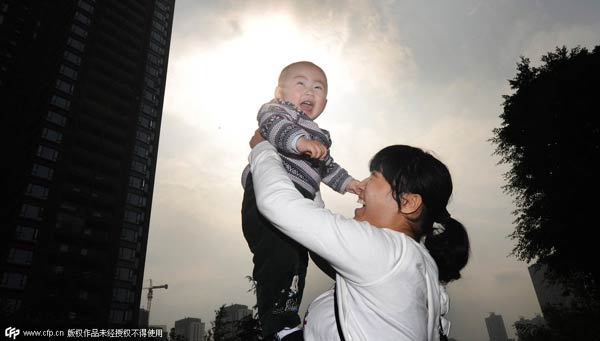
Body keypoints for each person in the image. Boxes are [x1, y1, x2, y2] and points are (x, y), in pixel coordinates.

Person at [247, 132, 471, 340]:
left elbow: (277, 205)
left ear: (408, 202)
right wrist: (308, 179)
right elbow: (318, 236)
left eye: (374, 177)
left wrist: (262, 149)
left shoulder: (388, 253)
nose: (361, 186)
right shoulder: (413, 264)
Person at [241, 61, 361, 340]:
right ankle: (277, 323)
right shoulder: (276, 110)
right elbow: (274, 128)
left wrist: (351, 184)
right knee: (277, 257)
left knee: (297, 263)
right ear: (279, 91)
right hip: (266, 195)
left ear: (325, 102)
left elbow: (328, 167)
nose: (310, 91)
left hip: (301, 202)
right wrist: (300, 142)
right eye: (301, 83)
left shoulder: (319, 135)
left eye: (318, 88)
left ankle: (289, 317)